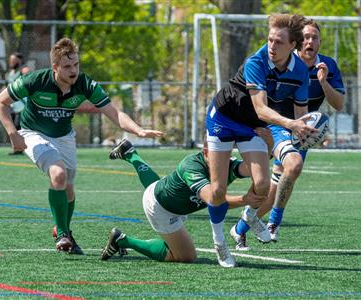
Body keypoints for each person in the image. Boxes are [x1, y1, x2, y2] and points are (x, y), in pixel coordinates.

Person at [0, 38, 162, 254]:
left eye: (76, 65)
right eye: (67, 66)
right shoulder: (34, 81)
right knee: (58, 175)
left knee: (69, 189)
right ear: (55, 67)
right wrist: (12, 134)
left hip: (64, 137)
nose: (73, 71)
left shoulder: (85, 84)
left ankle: (64, 230)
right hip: (33, 133)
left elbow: (113, 112)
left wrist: (138, 130)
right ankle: (63, 233)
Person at [206, 13, 316, 264]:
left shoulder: (300, 71)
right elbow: (261, 108)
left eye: (279, 42)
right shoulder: (256, 61)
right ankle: (219, 243)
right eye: (269, 40)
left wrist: (307, 130)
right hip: (223, 119)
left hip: (251, 126)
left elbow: (301, 114)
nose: (272, 46)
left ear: (293, 46)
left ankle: (249, 218)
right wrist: (290, 124)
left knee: (264, 185)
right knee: (218, 190)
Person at [237, 19, 345, 245]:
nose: (310, 42)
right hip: (274, 124)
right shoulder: (280, 63)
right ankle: (251, 222)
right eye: (306, 37)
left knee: (282, 181)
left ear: (320, 42)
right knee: (266, 178)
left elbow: (339, 104)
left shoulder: (328, 65)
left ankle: (256, 225)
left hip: (298, 126)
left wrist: (324, 83)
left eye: (314, 37)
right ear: (296, 43)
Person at [101, 138, 264, 267]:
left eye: (226, 154)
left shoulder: (227, 164)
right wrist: (245, 200)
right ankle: (122, 240)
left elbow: (255, 167)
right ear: (206, 152)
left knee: (156, 187)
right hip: (161, 210)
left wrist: (267, 144)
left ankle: (130, 153)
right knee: (186, 257)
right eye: (218, 154)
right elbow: (213, 199)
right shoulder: (192, 166)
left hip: (168, 196)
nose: (223, 160)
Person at [6, 52, 30, 155]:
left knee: (19, 127)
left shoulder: (24, 71)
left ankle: (21, 148)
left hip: (24, 106)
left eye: (13, 60)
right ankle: (19, 148)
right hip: (14, 106)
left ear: (19, 61)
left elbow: (29, 79)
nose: (11, 62)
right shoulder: (10, 73)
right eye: (10, 60)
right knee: (14, 127)